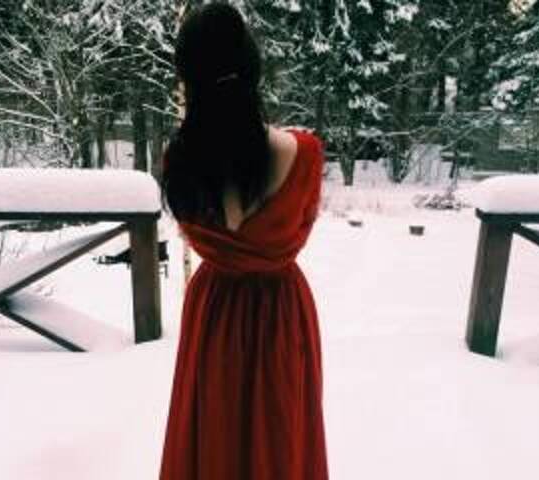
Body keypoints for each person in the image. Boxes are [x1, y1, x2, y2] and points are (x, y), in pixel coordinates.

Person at [159, 3, 329, 479]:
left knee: (213, 429)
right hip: (280, 310)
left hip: (215, 309)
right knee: (281, 432)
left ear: (187, 78)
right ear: (252, 67)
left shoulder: (180, 162)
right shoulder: (303, 153)